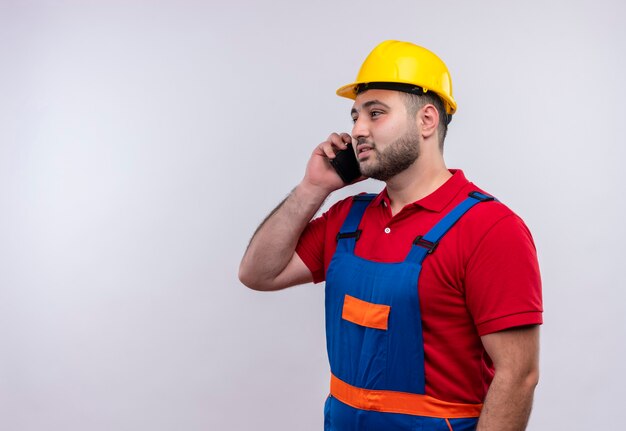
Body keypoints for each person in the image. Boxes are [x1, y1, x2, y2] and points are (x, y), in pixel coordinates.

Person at [239, 40, 543, 431]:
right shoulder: (347, 219)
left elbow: (518, 376)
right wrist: (312, 188)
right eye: (354, 117)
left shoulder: (490, 229)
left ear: (427, 120)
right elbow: (258, 274)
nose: (357, 130)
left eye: (375, 114)